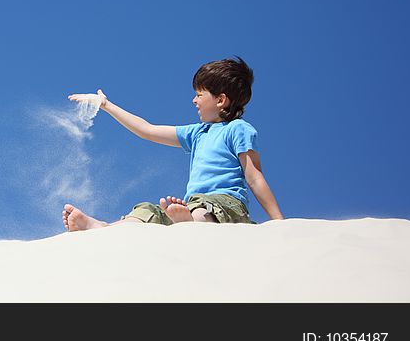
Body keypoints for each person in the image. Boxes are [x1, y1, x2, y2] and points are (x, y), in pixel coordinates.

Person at [62, 56, 283, 229]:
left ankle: (191, 223)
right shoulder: (197, 133)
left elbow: (254, 177)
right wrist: (106, 105)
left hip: (225, 205)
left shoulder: (239, 129)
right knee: (148, 211)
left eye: (199, 94)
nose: (194, 100)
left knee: (203, 212)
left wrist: (279, 223)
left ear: (220, 100)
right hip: (192, 204)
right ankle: (105, 227)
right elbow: (147, 130)